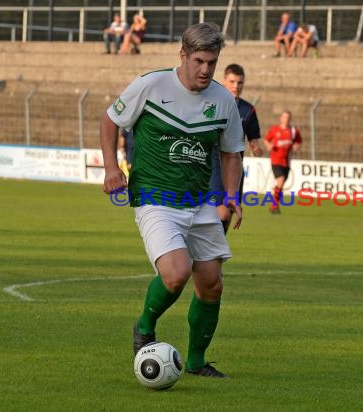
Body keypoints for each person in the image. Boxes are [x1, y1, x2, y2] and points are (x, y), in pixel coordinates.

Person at [100, 22, 244, 378]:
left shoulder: (223, 99)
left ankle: (196, 362)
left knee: (211, 282)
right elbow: (109, 120)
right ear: (182, 55)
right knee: (177, 273)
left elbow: (231, 154)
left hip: (200, 201)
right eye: (199, 61)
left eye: (212, 62)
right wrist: (110, 168)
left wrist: (231, 195)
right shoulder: (151, 85)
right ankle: (145, 326)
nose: (206, 70)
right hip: (155, 197)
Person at [210, 63, 263, 233]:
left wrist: (255, 148)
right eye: (232, 81)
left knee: (229, 213)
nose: (236, 86)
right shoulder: (213, 105)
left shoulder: (248, 110)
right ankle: (210, 251)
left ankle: (212, 254)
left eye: (240, 82)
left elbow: (253, 138)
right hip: (214, 163)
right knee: (223, 213)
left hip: (235, 166)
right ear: (224, 80)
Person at [264, 110, 302, 214]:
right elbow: (266, 140)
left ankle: (275, 204)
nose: (286, 119)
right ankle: (274, 206)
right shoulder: (274, 130)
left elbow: (299, 141)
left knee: (280, 186)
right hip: (276, 160)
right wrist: (269, 146)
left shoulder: (293, 131)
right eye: (284, 117)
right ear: (281, 118)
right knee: (280, 181)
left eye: (288, 117)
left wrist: (296, 147)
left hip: (287, 162)